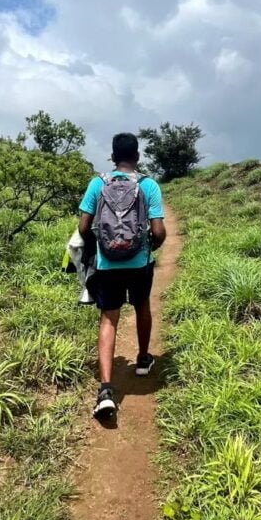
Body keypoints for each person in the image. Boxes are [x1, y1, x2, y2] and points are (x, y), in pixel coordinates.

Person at [78, 132, 166, 420]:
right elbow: (158, 231)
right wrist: (151, 246)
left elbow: (83, 226)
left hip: (107, 264)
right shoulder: (148, 185)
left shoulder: (97, 183)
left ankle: (105, 390)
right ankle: (142, 360)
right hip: (139, 262)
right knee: (142, 306)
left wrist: (96, 248)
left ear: (113, 157)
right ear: (137, 157)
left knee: (108, 318)